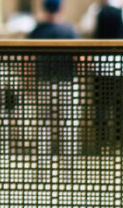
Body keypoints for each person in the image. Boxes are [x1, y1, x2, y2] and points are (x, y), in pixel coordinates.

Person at [78, 0, 123, 153]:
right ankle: (120, 145)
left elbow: (84, 27)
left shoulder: (96, 9)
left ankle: (102, 145)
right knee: (122, 109)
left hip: (101, 66)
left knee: (101, 109)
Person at [26, 0, 81, 156]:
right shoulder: (69, 30)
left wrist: (29, 84)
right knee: (68, 126)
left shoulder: (37, 31)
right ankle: (69, 165)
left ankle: (43, 164)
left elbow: (28, 60)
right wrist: (80, 80)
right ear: (61, 8)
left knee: (43, 126)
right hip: (67, 83)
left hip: (44, 83)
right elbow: (81, 58)